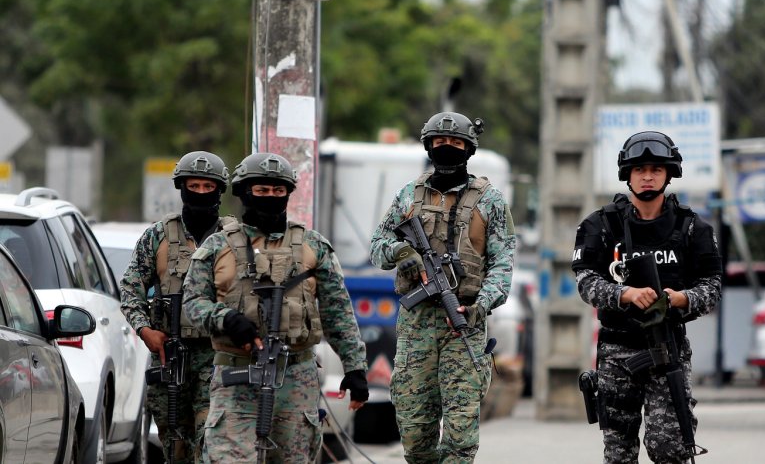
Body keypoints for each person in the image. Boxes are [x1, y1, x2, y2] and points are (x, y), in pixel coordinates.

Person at [182, 152, 368, 463]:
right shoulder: (216, 247)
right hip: (236, 374)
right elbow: (193, 303)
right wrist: (226, 319)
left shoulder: (314, 247)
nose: (270, 197)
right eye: (262, 191)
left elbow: (338, 313)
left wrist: (355, 367)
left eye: (278, 191)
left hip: (295, 378)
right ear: (244, 193)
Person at [369, 111, 516, 464]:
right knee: (415, 432)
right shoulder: (409, 196)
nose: (447, 148)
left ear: (469, 149)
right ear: (428, 146)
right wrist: (402, 253)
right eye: (439, 142)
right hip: (417, 326)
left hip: (463, 325)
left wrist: (480, 305)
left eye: (455, 143)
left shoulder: (490, 201)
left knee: (460, 436)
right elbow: (377, 245)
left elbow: (503, 265)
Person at [572, 130, 723, 463]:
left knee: (670, 448)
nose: (648, 176)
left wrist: (680, 299)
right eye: (640, 170)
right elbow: (585, 282)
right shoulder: (601, 225)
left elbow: (712, 287)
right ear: (628, 175)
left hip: (668, 348)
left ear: (669, 174)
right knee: (619, 452)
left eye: (656, 169)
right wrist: (623, 294)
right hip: (617, 350)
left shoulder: (693, 228)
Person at [118, 150, 231, 463]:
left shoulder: (234, 238)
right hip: (170, 354)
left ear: (219, 191)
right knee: (175, 446)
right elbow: (131, 287)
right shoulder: (158, 236)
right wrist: (145, 331)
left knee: (213, 443)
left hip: (219, 355)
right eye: (193, 187)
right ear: (182, 188)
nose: (200, 194)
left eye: (208, 187)